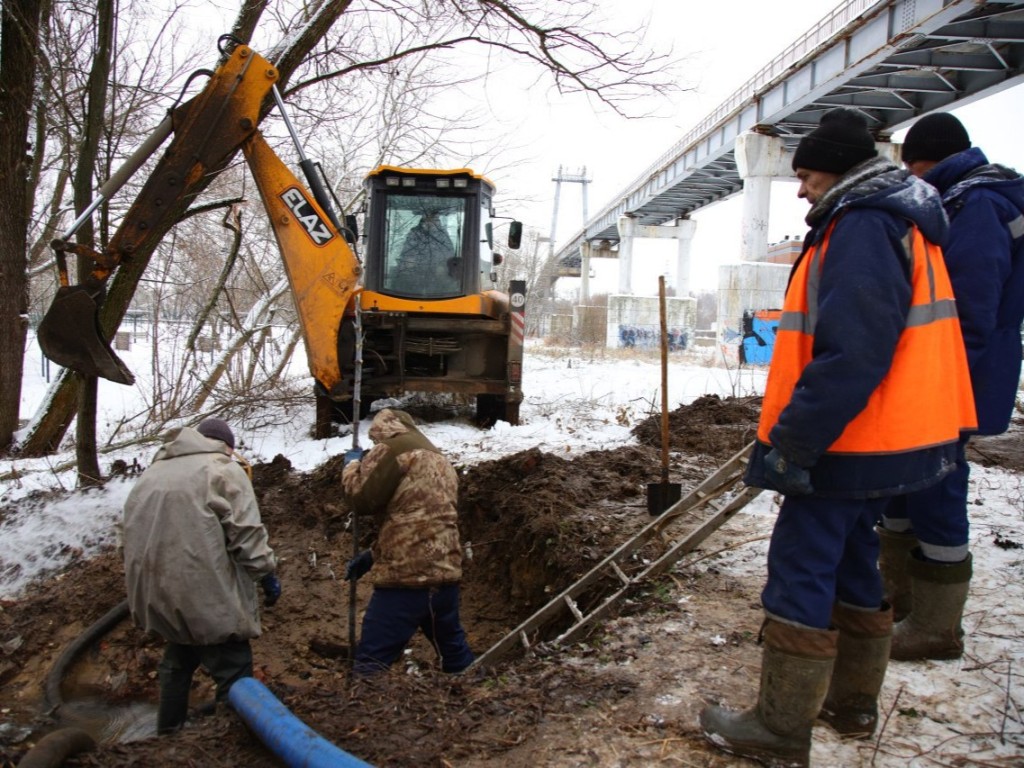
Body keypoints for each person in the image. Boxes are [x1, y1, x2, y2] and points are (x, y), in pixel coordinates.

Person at [699, 108, 977, 767]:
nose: (799, 189)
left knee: (801, 565)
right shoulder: (899, 218)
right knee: (855, 561)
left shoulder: (863, 225)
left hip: (849, 439)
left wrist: (795, 441)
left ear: (839, 170)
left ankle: (777, 728)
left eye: (807, 174)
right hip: (888, 437)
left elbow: (852, 352)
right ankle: (851, 703)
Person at [876, 113, 1024, 661]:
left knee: (937, 480)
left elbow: (969, 311)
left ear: (922, 162)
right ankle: (899, 596)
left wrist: (942, 383)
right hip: (944, 370)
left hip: (955, 373)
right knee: (904, 475)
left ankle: (937, 627)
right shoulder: (967, 199)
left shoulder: (978, 205)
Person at [122, 417, 281, 734]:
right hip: (206, 595)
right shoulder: (222, 470)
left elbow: (125, 533)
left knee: (177, 660)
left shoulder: (152, 474)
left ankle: (167, 735)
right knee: (234, 669)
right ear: (227, 446)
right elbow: (246, 535)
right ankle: (228, 738)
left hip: (158, 594)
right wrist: (265, 573)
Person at [341, 408, 474, 676]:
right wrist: (373, 554)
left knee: (371, 661)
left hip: (405, 579)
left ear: (382, 430)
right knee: (453, 652)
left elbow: (361, 499)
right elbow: (420, 518)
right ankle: (475, 701)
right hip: (445, 575)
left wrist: (351, 467)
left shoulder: (391, 450)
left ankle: (358, 713)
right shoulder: (440, 459)